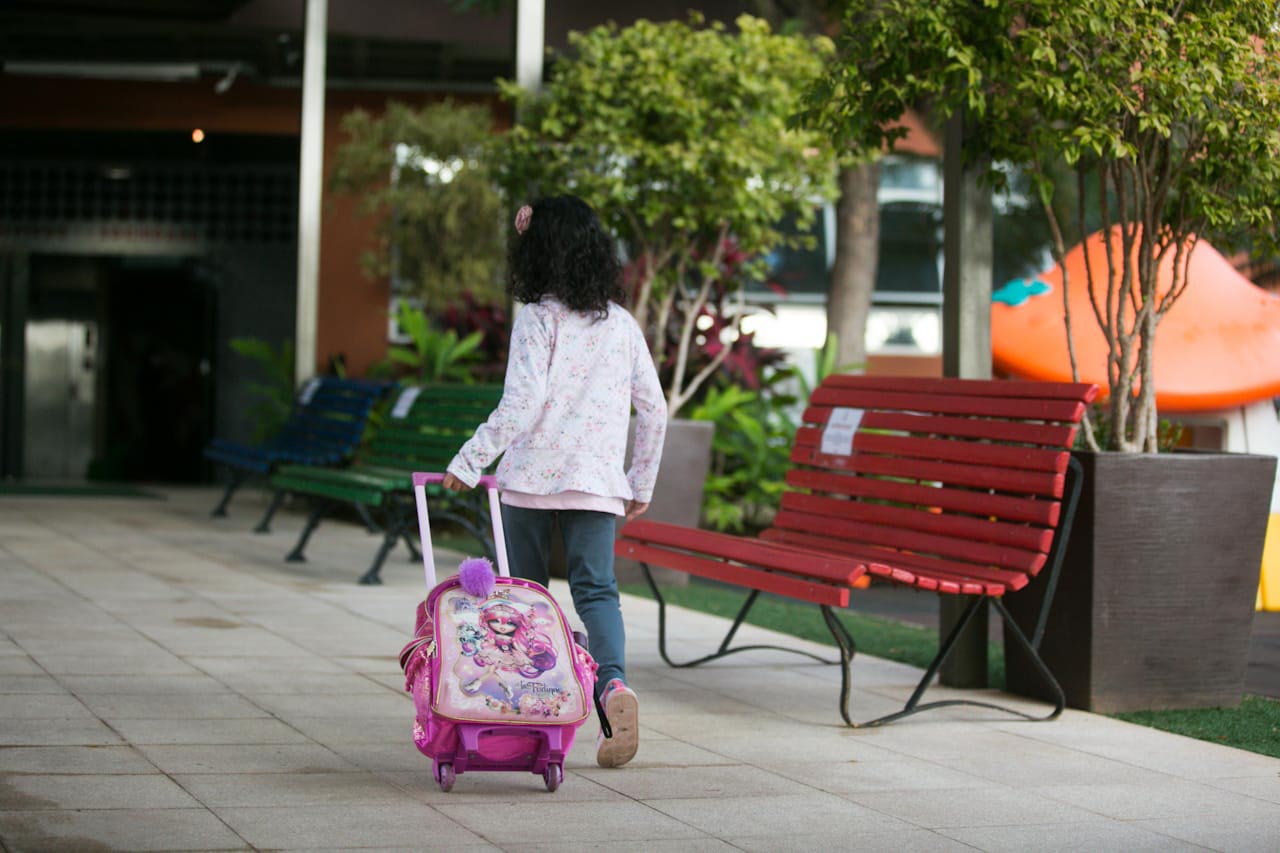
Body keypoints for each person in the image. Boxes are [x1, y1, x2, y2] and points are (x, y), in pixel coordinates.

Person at [442, 194, 667, 768]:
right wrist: (639, 483)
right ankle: (612, 688)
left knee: (524, 599)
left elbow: (522, 403)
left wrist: (469, 461)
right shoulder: (621, 325)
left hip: (530, 480)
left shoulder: (538, 319)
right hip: (594, 481)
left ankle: (532, 715)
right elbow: (655, 409)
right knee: (597, 591)